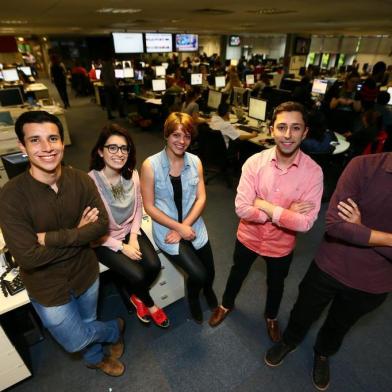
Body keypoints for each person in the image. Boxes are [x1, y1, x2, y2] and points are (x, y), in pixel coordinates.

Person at [0, 111, 125, 377]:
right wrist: (79, 232)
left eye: (53, 138)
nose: (46, 148)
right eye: (35, 140)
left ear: (62, 142)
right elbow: (29, 258)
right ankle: (114, 329)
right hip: (47, 286)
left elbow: (101, 225)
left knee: (88, 321)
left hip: (85, 272)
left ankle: (95, 358)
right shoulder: (11, 196)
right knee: (74, 340)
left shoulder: (80, 179)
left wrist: (52, 238)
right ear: (23, 147)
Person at [264, 152, 392, 391]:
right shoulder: (364, 165)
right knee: (303, 311)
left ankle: (322, 354)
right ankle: (289, 340)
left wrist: (362, 229)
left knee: (339, 325)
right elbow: (335, 225)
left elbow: (351, 230)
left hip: (373, 284)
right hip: (330, 265)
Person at [208, 102, 323, 343]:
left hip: (280, 246)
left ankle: (271, 317)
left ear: (305, 132)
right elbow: (241, 207)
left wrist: (265, 206)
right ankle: (226, 305)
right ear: (272, 130)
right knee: (237, 273)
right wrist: (285, 213)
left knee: (276, 284)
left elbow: (306, 223)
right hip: (248, 238)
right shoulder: (254, 163)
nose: (288, 135)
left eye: (295, 128)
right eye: (281, 127)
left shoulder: (314, 173)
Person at [88, 124, 169, 328]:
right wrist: (122, 247)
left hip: (129, 231)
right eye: (112, 148)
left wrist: (133, 237)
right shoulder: (90, 183)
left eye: (124, 148)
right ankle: (149, 304)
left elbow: (139, 207)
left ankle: (135, 296)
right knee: (138, 274)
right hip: (103, 240)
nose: (119, 153)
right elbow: (91, 231)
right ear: (100, 151)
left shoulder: (131, 174)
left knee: (153, 265)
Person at [140, 112, 218, 323]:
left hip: (193, 225)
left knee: (209, 273)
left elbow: (201, 198)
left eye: (187, 136)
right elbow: (149, 206)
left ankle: (208, 290)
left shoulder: (195, 162)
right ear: (166, 135)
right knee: (198, 275)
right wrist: (177, 227)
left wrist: (184, 226)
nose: (181, 141)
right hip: (167, 231)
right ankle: (193, 299)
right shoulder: (150, 165)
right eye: (176, 135)